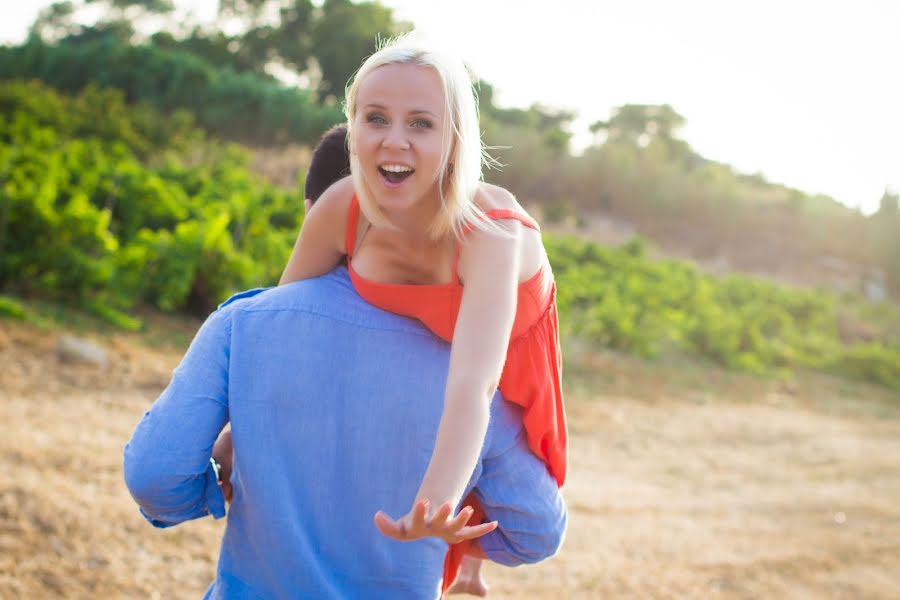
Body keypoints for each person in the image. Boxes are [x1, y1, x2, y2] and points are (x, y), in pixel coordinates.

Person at [278, 34, 568, 595]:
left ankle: (468, 562)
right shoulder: (342, 207)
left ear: (455, 139)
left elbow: (474, 385)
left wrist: (435, 498)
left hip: (505, 358)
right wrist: (230, 439)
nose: (395, 140)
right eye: (376, 118)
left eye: (421, 124)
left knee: (530, 526)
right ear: (353, 125)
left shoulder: (490, 231)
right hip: (417, 353)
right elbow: (282, 327)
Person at [123, 267, 567, 598]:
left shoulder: (243, 323)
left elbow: (154, 477)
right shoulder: (475, 367)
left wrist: (217, 475)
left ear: (315, 213)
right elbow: (536, 530)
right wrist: (445, 532)